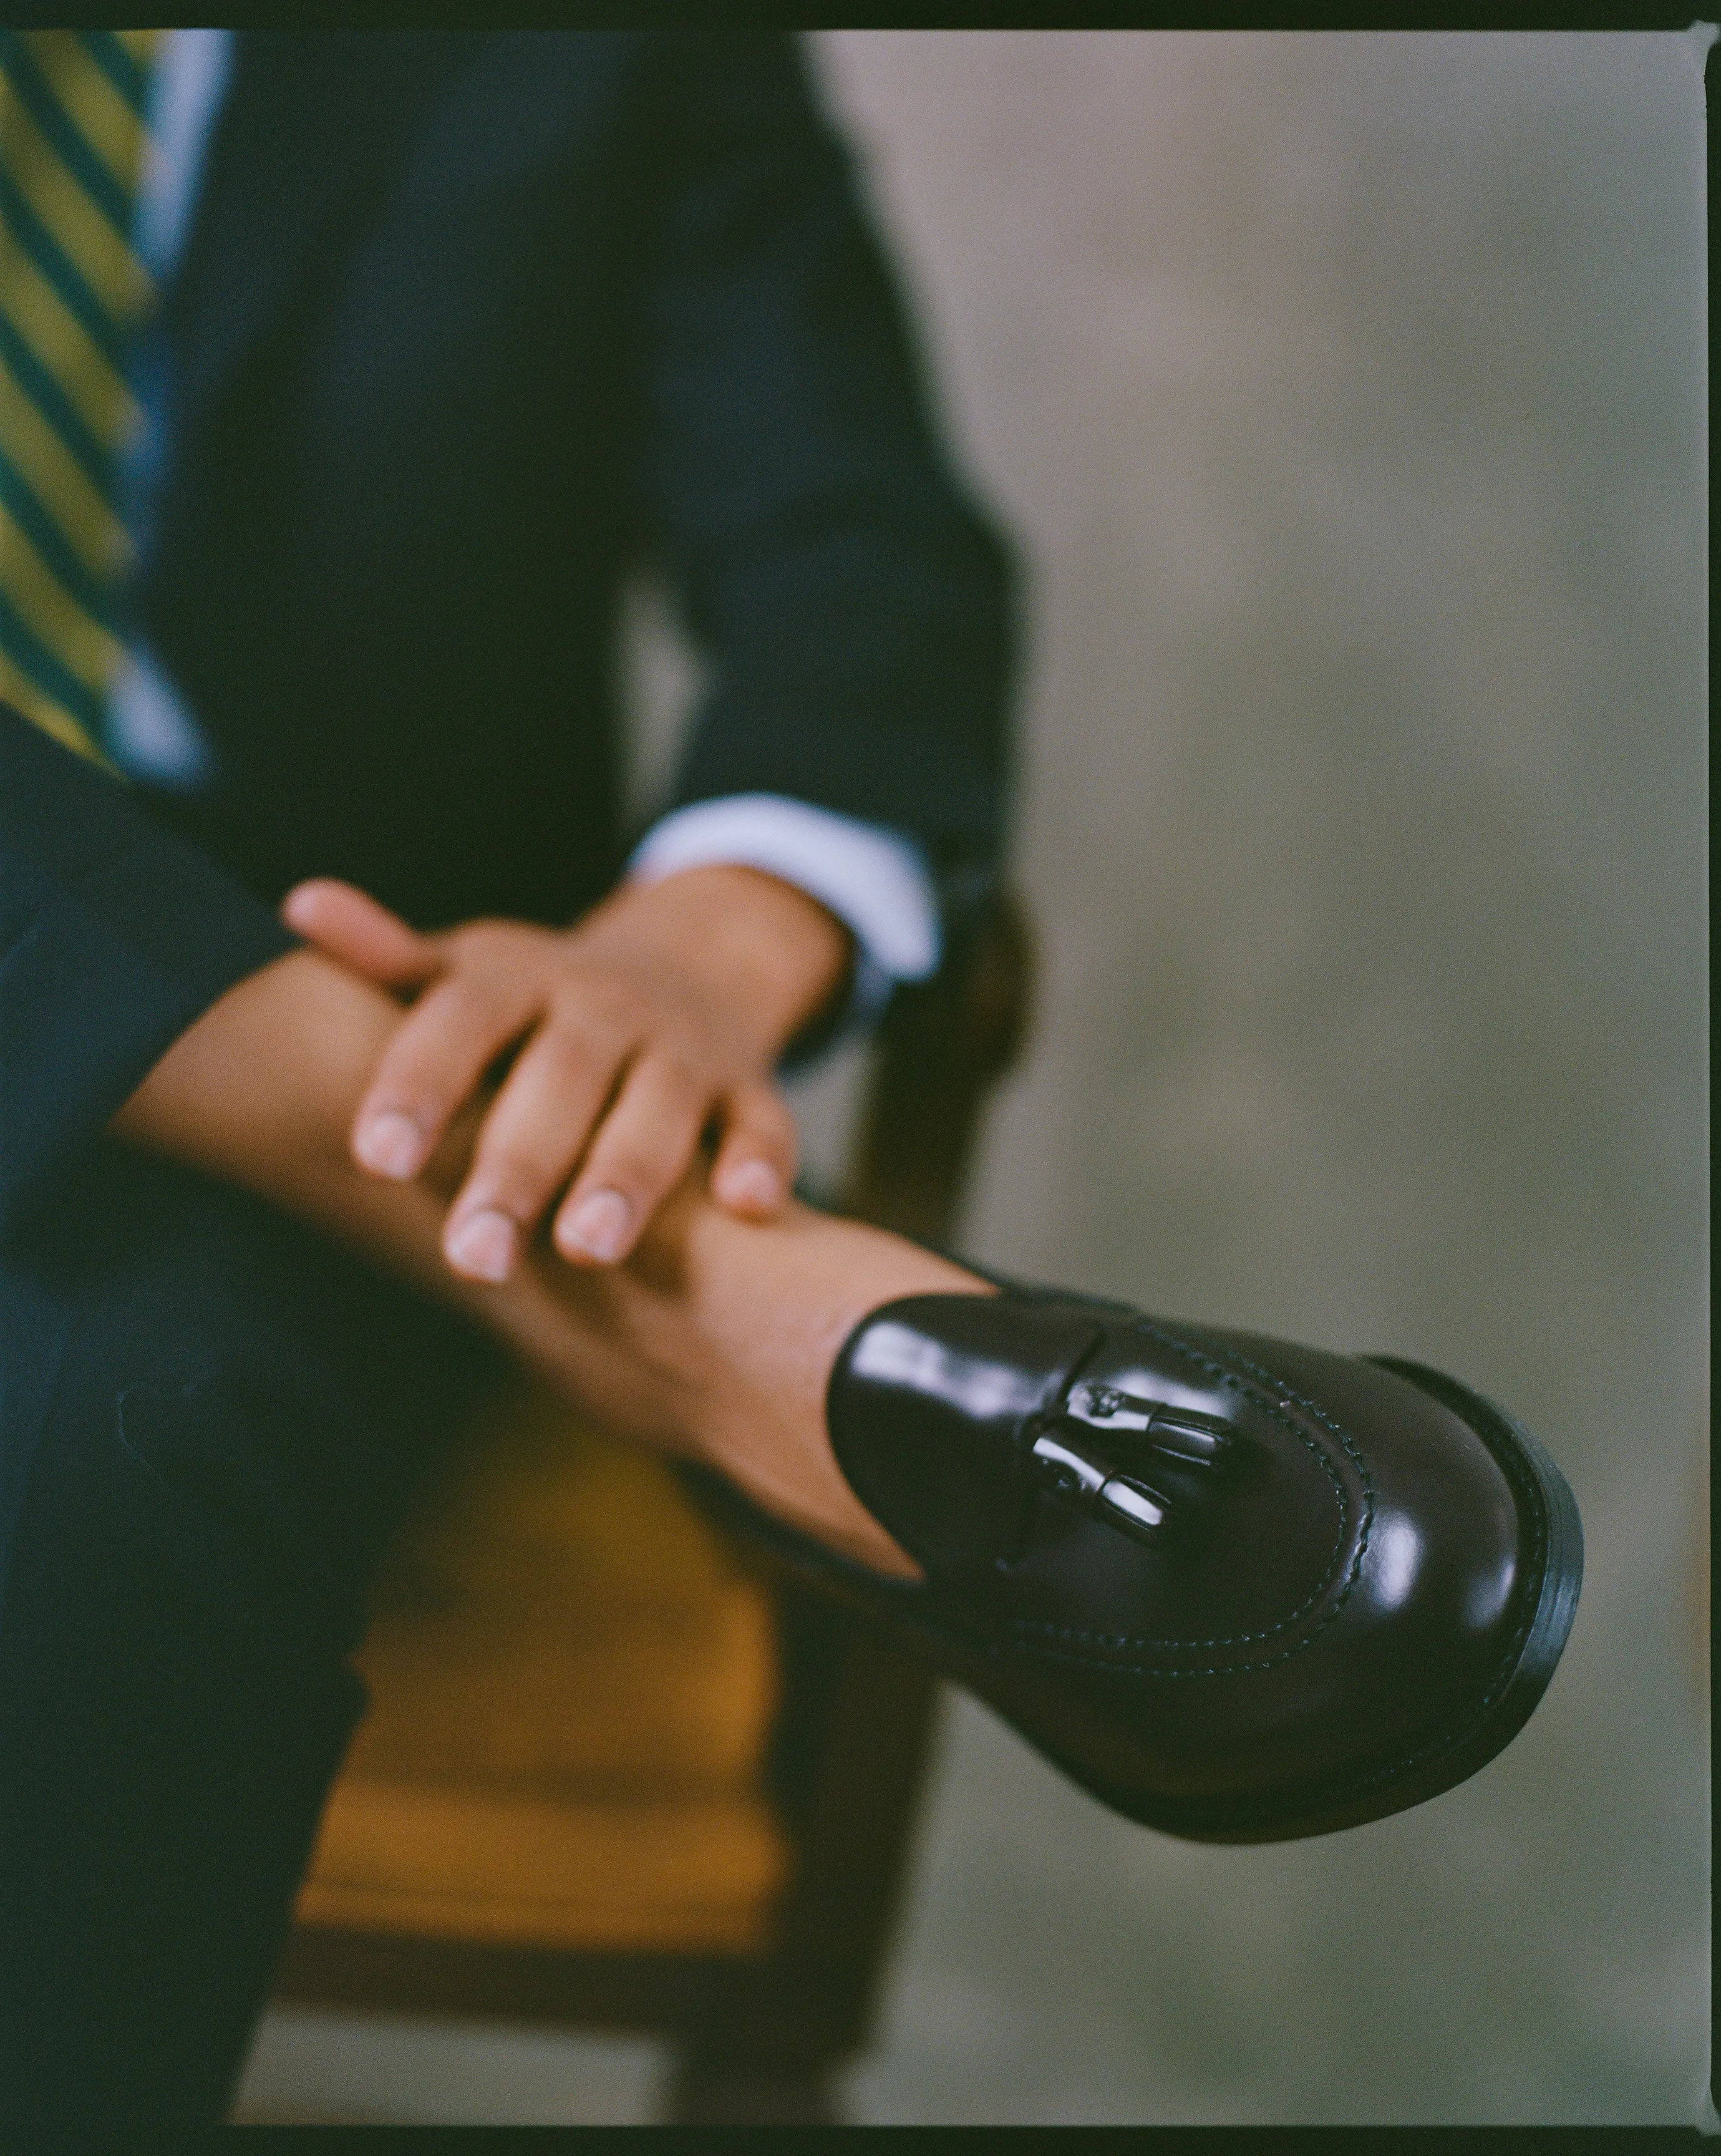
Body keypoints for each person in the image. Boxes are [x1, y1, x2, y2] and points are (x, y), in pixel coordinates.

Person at [0, 31, 1582, 2130]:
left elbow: (863, 563)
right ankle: (708, 1312)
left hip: (343, 1140)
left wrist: (705, 942)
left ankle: (442, 1185)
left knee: (116, 1440)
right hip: (433, 1145)